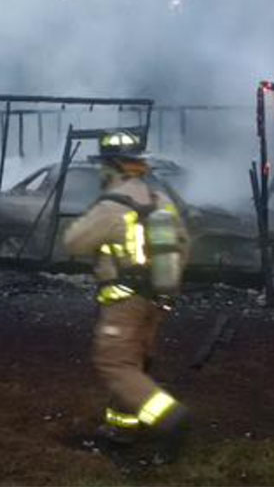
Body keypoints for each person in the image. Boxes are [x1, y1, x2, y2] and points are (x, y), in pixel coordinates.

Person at [63, 129, 191, 462]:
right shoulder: (160, 200)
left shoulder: (113, 205)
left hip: (124, 302)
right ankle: (122, 429)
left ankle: (170, 419)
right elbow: (183, 246)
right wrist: (167, 287)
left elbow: (73, 242)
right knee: (136, 362)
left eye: (103, 166)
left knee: (116, 364)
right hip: (157, 299)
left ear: (112, 167)